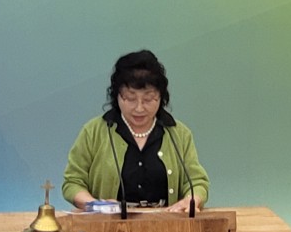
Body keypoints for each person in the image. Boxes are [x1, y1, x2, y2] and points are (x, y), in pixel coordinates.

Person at [62, 49, 209, 213]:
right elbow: (73, 182)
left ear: (161, 97)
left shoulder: (179, 134)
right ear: (117, 96)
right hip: (108, 225)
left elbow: (197, 182)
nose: (139, 108)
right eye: (130, 98)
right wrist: (96, 205)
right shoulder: (94, 132)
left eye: (148, 99)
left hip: (166, 224)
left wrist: (191, 200)